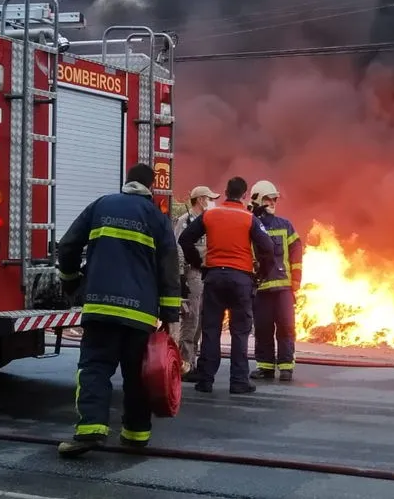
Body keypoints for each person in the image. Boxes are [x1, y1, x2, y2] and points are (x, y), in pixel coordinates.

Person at [56, 164, 181, 458]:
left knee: (95, 368)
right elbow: (169, 269)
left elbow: (67, 246)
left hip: (100, 307)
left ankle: (90, 431)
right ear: (151, 188)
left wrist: (72, 282)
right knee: (138, 375)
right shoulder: (157, 219)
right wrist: (170, 316)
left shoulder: (101, 205)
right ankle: (136, 436)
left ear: (126, 183)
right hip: (140, 314)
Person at [178, 176, 276, 394]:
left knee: (211, 330)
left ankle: (205, 381)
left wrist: (199, 263)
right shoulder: (249, 218)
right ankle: (239, 381)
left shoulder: (210, 214)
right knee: (239, 332)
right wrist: (260, 274)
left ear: (225, 192)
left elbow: (185, 239)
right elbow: (268, 247)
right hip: (241, 280)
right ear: (244, 195)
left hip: (213, 278)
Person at [247, 180, 303, 382]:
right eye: (268, 199)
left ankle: (286, 367)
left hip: (283, 289)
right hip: (260, 288)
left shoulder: (285, 225)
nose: (272, 202)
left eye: (274, 199)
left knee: (286, 327)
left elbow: (296, 251)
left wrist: (296, 279)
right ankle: (265, 366)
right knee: (262, 328)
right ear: (258, 200)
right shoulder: (250, 224)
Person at [173, 185, 220, 383]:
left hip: (206, 275)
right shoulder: (186, 221)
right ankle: (185, 363)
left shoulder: (207, 221)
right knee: (191, 319)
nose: (212, 201)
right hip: (193, 274)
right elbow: (178, 249)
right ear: (201, 200)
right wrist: (182, 277)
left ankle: (193, 360)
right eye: (209, 198)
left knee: (201, 320)